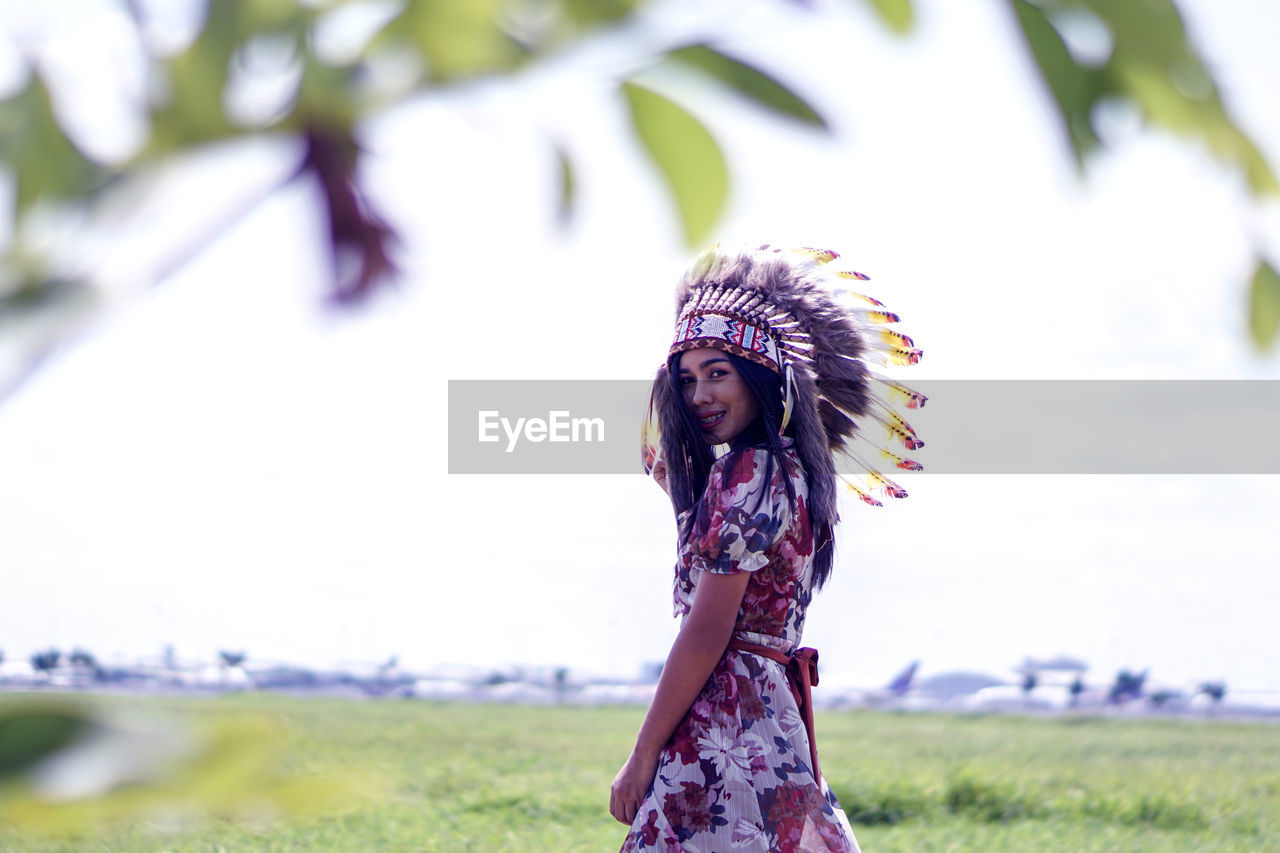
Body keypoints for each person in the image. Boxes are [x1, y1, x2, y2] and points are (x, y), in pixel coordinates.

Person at [611, 244, 925, 852]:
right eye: (687, 379)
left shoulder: (747, 472)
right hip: (770, 719)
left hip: (722, 723)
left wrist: (643, 752)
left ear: (763, 378)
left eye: (718, 373)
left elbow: (708, 628)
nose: (699, 394)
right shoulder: (792, 472)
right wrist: (685, 497)